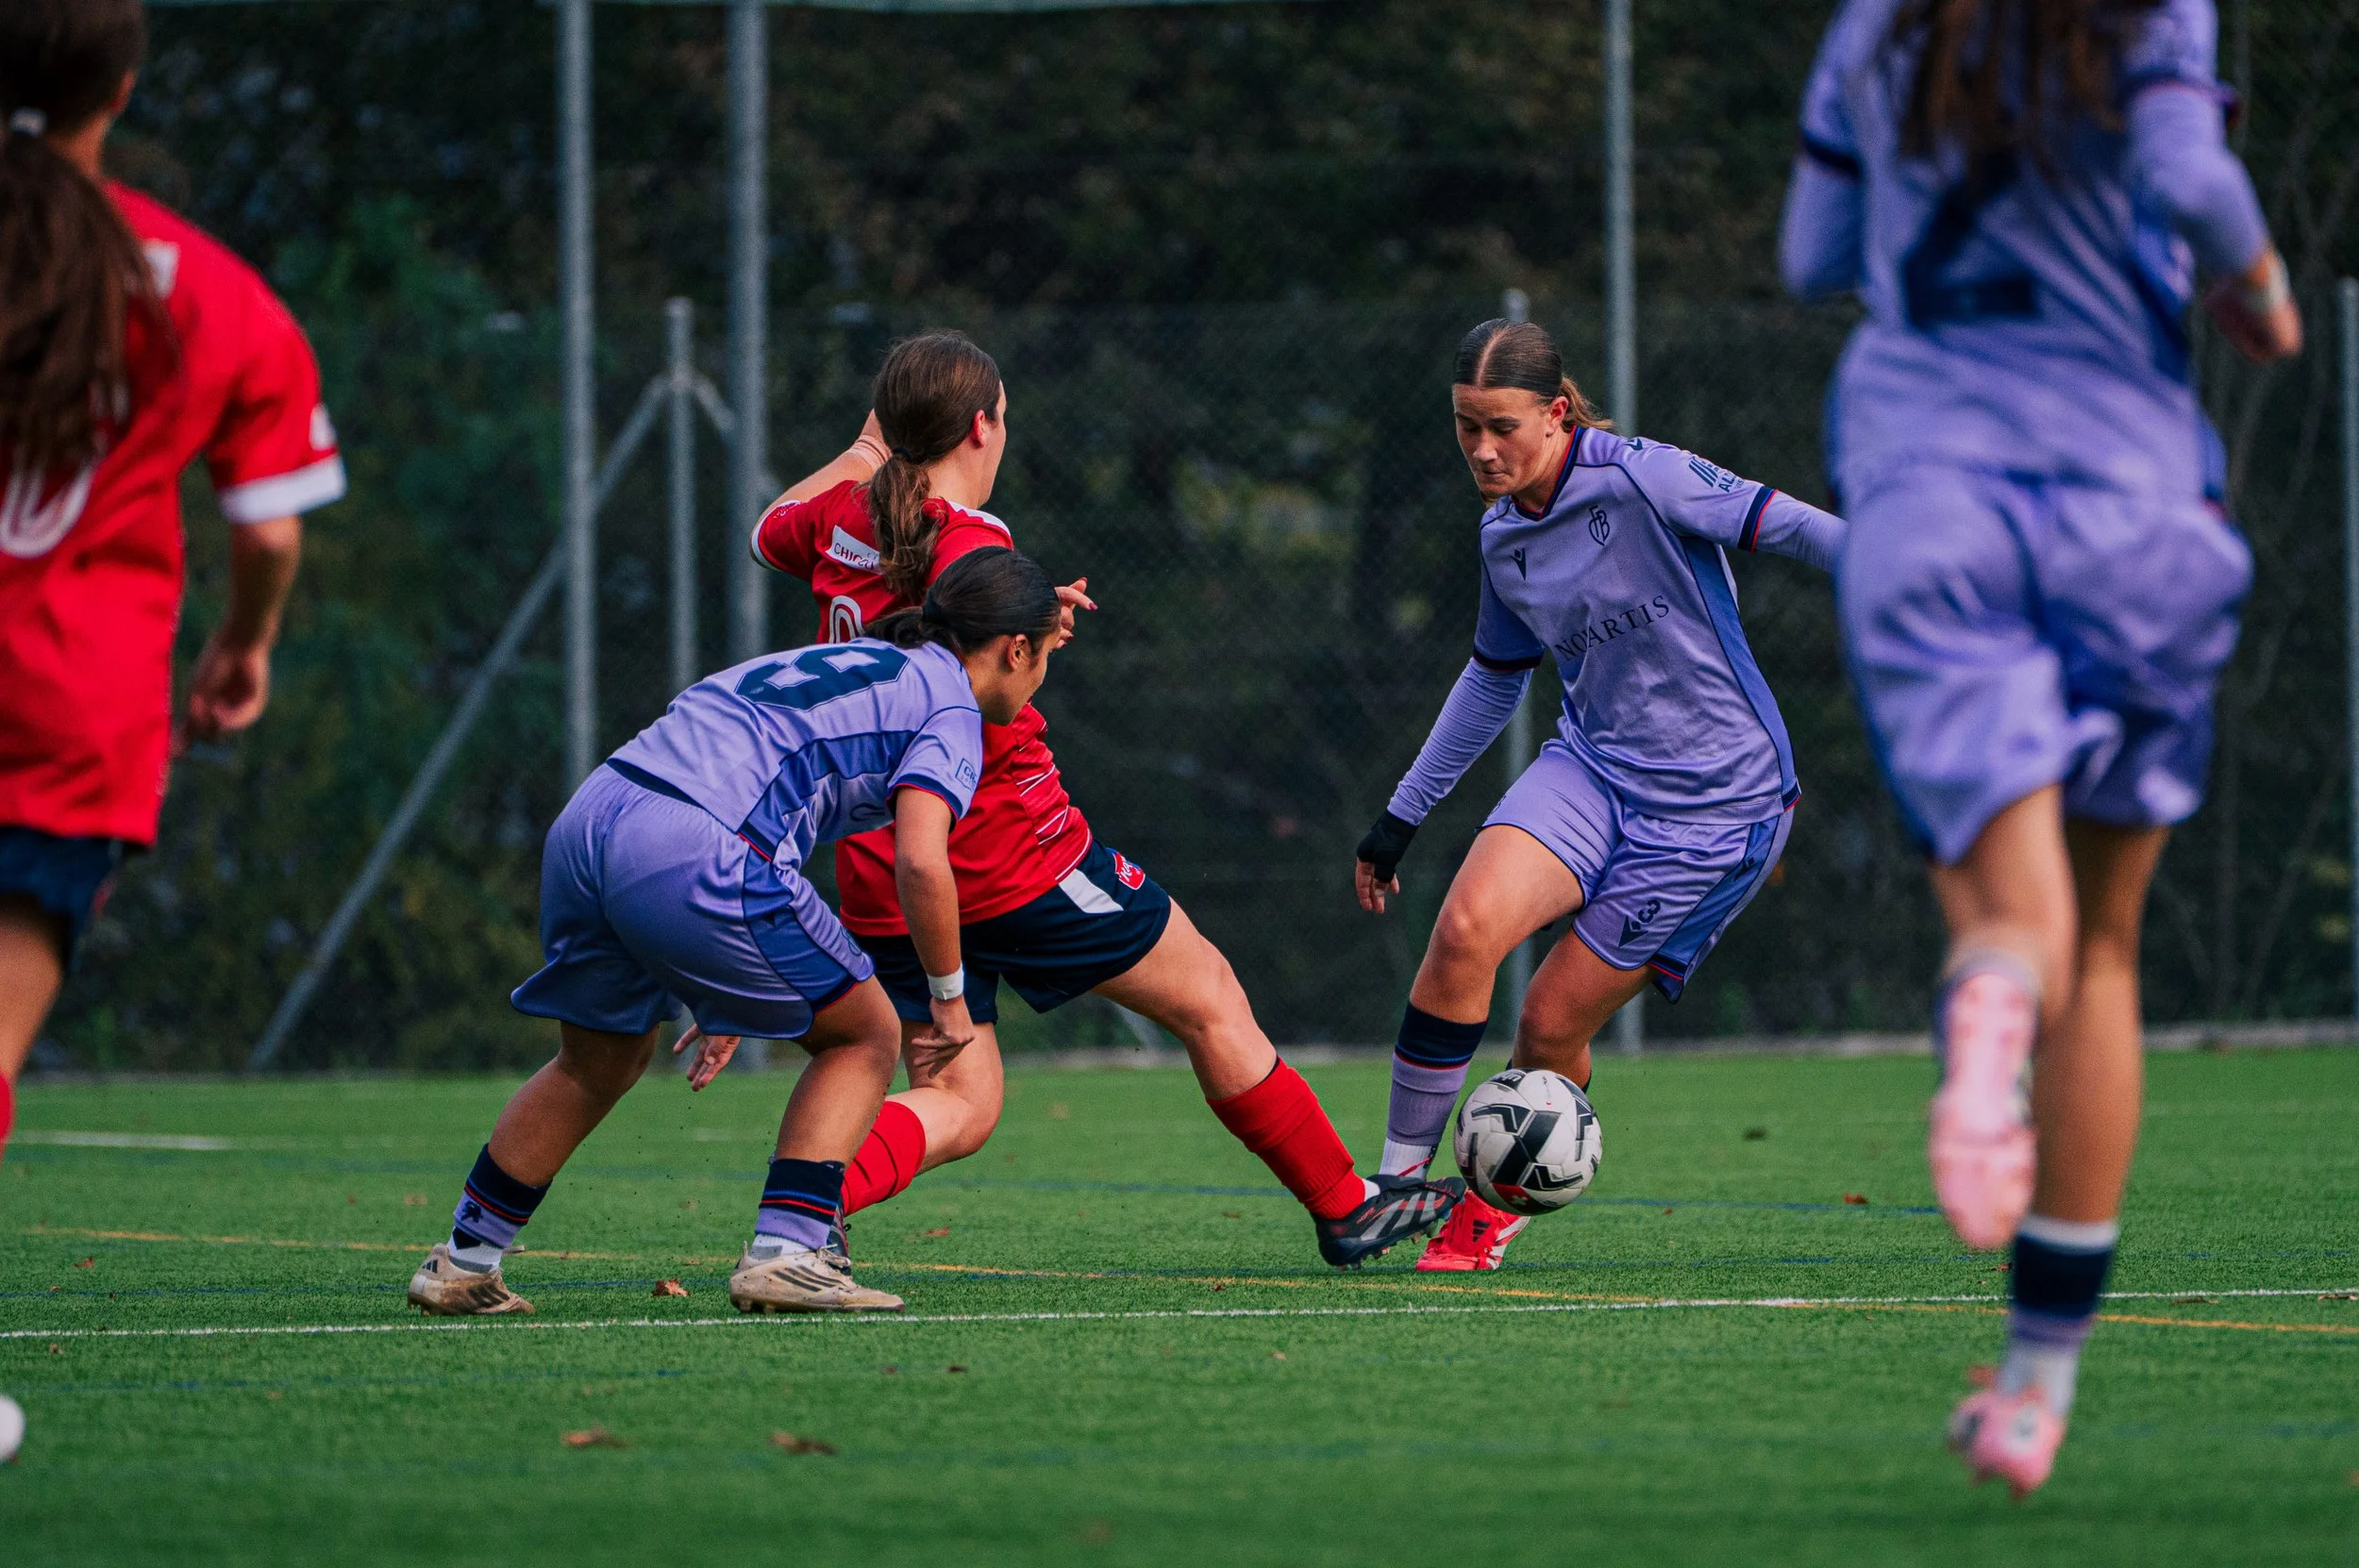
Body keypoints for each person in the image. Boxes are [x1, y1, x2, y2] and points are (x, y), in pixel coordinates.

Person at [1781, 0, 2300, 1494]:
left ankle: (1993, 994)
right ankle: (2031, 1389)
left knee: (2021, 919)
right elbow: (2194, 180)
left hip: (1934, 502)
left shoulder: (1877, 23)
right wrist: (2256, 286)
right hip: (2135, 509)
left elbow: (1815, 257)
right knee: (2114, 946)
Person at [745, 329, 1461, 1269]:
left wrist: (873, 452)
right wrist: (1028, 618)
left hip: (885, 866)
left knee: (964, 1101)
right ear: (981, 425)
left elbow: (772, 531)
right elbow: (965, 648)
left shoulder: (844, 517)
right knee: (1206, 990)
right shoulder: (970, 536)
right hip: (1006, 851)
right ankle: (1343, 1202)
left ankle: (807, 1211)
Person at [407, 548, 1051, 1316]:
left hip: (594, 817)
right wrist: (949, 998)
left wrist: (726, 981)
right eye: (1045, 654)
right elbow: (920, 858)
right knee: (868, 1033)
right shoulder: (950, 710)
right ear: (1016, 650)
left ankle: (464, 1259)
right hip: (698, 844)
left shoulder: (866, 659)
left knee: (596, 1060)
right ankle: (789, 1251)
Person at [1351, 318, 1844, 1272]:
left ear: (1558, 413)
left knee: (1545, 1024)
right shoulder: (1501, 535)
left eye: (1501, 425)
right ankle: (1391, 1190)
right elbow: (1494, 678)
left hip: (1716, 807)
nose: (1482, 450)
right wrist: (1400, 816)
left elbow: (1783, 521)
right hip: (1593, 766)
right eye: (1464, 427)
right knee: (1461, 932)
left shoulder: (1640, 475)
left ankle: (1497, 1203)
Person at [1, 0, 343, 1159]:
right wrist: (244, 641)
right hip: (66, 709)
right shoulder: (205, 288)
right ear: (122, 92)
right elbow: (269, 532)